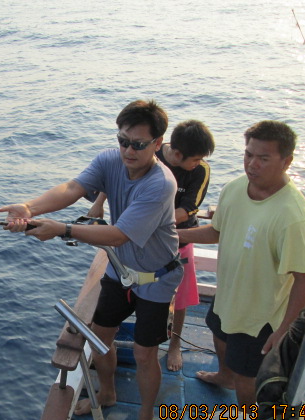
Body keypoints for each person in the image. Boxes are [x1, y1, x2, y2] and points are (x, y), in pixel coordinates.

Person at [0, 100, 183, 420]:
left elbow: (118, 234)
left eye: (138, 144)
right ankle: (108, 392)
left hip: (156, 279)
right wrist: (30, 208)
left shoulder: (161, 184)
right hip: (118, 268)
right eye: (123, 140)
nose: (128, 150)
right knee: (101, 339)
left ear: (158, 143)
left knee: (146, 355)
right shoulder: (109, 160)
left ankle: (145, 419)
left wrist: (63, 229)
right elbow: (73, 187)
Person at [178, 120, 305, 407]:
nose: (252, 164)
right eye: (248, 154)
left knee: (246, 379)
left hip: (259, 318)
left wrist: (283, 331)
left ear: (286, 161)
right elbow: (216, 231)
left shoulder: (292, 216)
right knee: (219, 336)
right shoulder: (236, 188)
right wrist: (171, 234)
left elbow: (304, 279)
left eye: (263, 158)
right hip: (227, 295)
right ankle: (222, 376)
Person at [88, 120, 214, 371]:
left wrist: (151, 222)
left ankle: (174, 346)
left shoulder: (200, 170)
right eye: (195, 159)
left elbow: (187, 209)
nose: (198, 163)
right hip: (133, 238)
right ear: (176, 153)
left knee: (179, 301)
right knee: (123, 294)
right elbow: (113, 177)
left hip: (178, 240)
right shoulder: (145, 152)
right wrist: (100, 201)